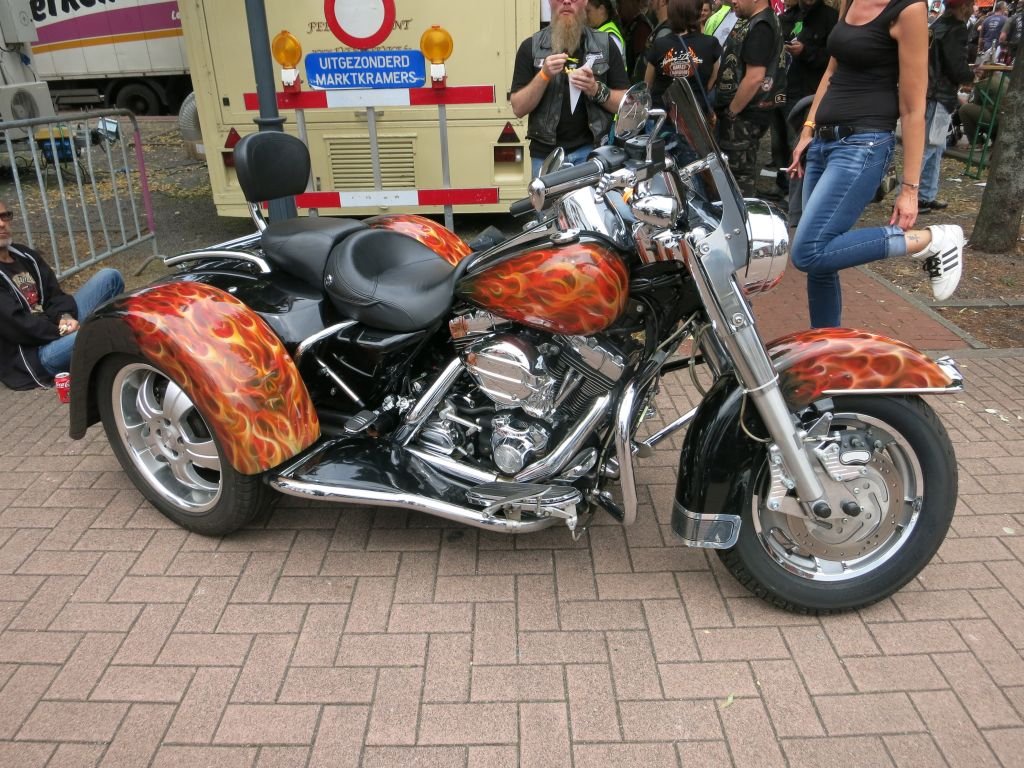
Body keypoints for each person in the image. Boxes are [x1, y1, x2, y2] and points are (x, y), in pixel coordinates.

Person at [788, 0, 965, 329]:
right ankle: (827, 346)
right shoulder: (851, 1)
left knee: (808, 251)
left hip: (862, 146)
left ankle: (930, 240)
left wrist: (910, 189)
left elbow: (913, 109)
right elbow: (831, 72)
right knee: (821, 264)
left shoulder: (907, 9)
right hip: (823, 142)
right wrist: (808, 130)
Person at [0, 201, 124, 390]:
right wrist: (61, 330)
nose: (2, 224)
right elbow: (17, 325)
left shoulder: (25, 255)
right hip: (36, 354)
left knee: (110, 277)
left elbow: (55, 294)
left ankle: (89, 345)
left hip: (56, 326)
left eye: (5, 216)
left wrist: (64, 316)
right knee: (105, 329)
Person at [511, 0, 630, 177]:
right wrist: (544, 75)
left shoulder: (605, 45)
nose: (567, 1)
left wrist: (596, 90)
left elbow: (625, 104)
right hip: (546, 157)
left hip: (593, 153)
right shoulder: (531, 47)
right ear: (550, 2)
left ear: (585, 2)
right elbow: (518, 108)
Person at [714, 0, 787, 196]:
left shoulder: (761, 26)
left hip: (744, 116)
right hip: (745, 113)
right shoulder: (757, 20)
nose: (733, 1)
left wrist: (732, 111)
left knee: (738, 179)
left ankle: (741, 213)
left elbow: (755, 77)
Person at [920, 0, 975, 212]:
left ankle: (925, 194)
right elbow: (956, 66)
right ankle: (912, 195)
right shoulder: (956, 29)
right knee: (929, 146)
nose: (972, 9)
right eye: (970, 4)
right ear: (964, 6)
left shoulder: (937, 25)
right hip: (939, 93)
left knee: (935, 146)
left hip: (932, 91)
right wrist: (970, 75)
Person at [645, 0, 722, 112]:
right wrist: (701, 93)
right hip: (696, 113)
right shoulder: (710, 43)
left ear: (671, 13)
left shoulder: (659, 44)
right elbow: (715, 76)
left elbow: (648, 84)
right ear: (697, 12)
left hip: (662, 114)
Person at [958, 67, 1006, 142]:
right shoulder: (1004, 78)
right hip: (1005, 118)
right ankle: (994, 140)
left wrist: (962, 101)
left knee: (964, 109)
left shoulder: (982, 84)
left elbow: (975, 104)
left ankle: (976, 142)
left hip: (996, 120)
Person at [619, 0, 655, 80]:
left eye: (621, 3)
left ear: (633, 3)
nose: (619, 8)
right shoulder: (630, 25)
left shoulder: (641, 27)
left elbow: (641, 65)